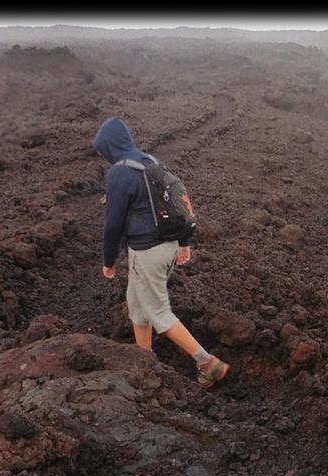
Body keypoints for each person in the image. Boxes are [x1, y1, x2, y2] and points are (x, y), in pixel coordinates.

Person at [92, 116, 230, 388]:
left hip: (148, 253)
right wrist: (184, 241)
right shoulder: (149, 161)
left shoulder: (120, 173)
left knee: (158, 313)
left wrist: (109, 261)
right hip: (166, 247)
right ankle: (145, 361)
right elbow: (178, 202)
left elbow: (113, 225)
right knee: (138, 307)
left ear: (108, 146)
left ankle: (207, 362)